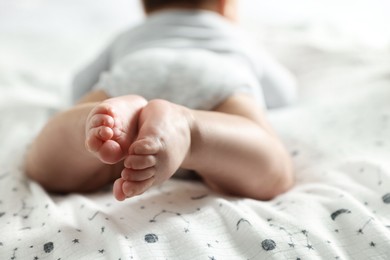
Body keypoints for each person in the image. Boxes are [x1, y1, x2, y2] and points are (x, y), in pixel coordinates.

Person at [25, 0, 296, 201]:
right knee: (273, 173)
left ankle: (96, 122)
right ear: (226, 5)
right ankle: (189, 132)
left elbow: (78, 85)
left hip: (138, 68)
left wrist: (91, 105)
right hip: (215, 73)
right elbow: (283, 92)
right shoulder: (236, 36)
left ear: (146, 6)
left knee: (46, 170)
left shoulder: (131, 33)